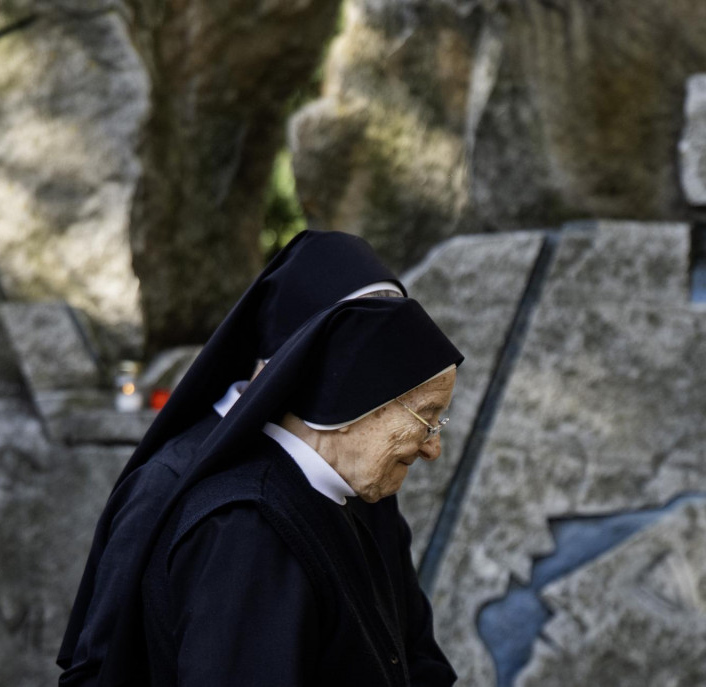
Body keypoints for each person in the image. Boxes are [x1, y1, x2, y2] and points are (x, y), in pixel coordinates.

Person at [58, 231, 450, 685]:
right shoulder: (223, 509)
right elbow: (112, 659)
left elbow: (411, 650)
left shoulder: (356, 473)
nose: (431, 447)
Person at [141, 297, 462, 685]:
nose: (433, 447)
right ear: (352, 399)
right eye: (426, 417)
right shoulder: (249, 528)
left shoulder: (317, 497)